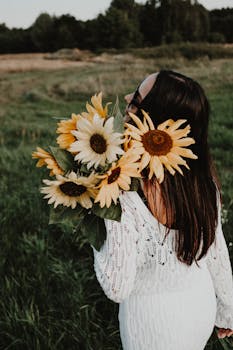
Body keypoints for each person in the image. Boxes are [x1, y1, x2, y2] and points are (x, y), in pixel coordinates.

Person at [91, 70, 233, 349]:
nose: (128, 98)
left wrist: (94, 208)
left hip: (152, 328)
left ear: (154, 122)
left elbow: (116, 286)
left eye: (138, 97)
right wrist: (228, 309)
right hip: (199, 308)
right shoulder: (203, 183)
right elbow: (216, 253)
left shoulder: (123, 190)